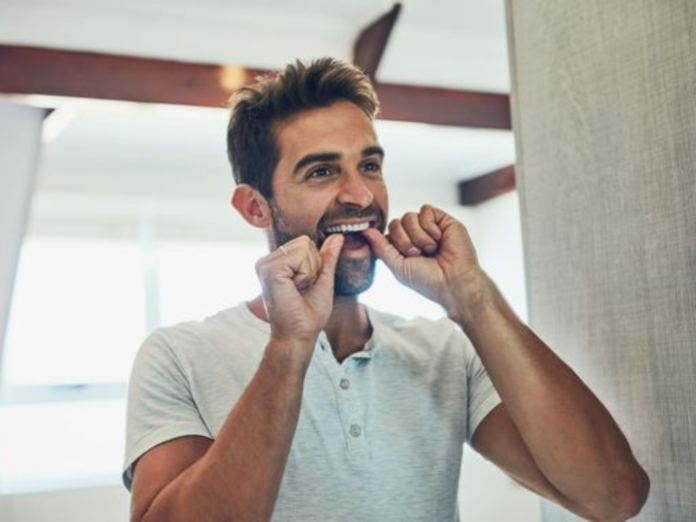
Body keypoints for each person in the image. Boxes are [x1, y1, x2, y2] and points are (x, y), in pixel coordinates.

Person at [123, 58, 649, 522]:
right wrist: (289, 346)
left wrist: (472, 297)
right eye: (322, 171)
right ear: (255, 207)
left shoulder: (443, 351)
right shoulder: (178, 355)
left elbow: (613, 497)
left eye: (370, 166)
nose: (361, 195)